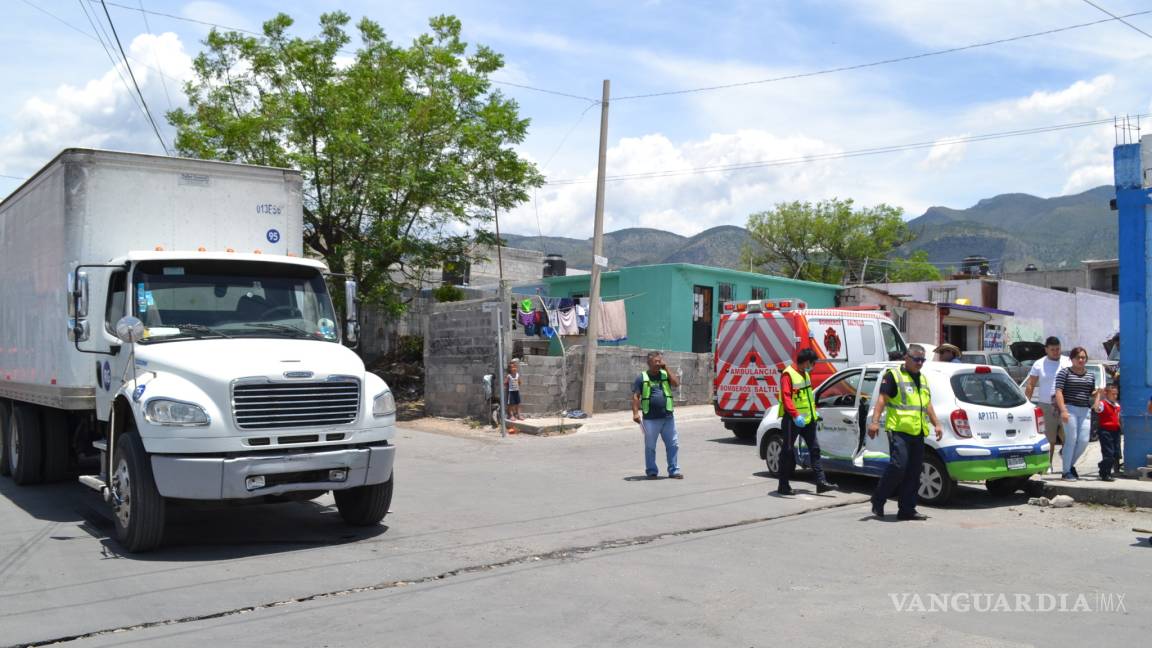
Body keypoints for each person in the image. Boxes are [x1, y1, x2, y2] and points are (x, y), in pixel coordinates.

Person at [867, 344, 943, 520]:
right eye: (916, 359)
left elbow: (927, 404)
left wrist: (937, 424)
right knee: (898, 466)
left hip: (918, 431)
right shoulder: (893, 376)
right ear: (906, 358)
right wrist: (875, 422)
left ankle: (907, 509)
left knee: (914, 472)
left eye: (922, 360)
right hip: (899, 430)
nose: (920, 363)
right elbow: (882, 399)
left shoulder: (923, 379)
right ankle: (878, 498)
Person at [777, 349, 837, 495]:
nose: (813, 366)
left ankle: (821, 482)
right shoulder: (788, 374)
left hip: (808, 420)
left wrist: (813, 412)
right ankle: (783, 485)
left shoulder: (805, 373)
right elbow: (786, 398)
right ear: (805, 362)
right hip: (793, 421)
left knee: (815, 450)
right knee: (788, 452)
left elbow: (808, 396)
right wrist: (796, 416)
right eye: (812, 363)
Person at [1024, 336, 1071, 471]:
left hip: (1064, 405)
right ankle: (1047, 465)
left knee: (1068, 437)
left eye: (1058, 349)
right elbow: (1030, 384)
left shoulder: (1067, 361)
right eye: (1053, 350)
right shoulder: (1039, 364)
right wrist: (1027, 404)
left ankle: (1067, 463)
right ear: (1046, 350)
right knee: (1048, 438)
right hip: (1045, 404)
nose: (1056, 352)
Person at [632, 351, 682, 479]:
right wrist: (636, 413)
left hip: (668, 417)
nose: (659, 364)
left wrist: (666, 367)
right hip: (650, 419)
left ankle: (674, 471)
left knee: (673, 444)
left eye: (660, 361)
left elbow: (676, 383)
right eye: (656, 361)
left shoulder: (665, 374)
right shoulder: (641, 377)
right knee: (650, 446)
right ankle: (652, 471)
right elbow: (636, 396)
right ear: (649, 363)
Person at [1054, 347, 1100, 481]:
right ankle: (1066, 471)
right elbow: (1058, 392)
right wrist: (1063, 410)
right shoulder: (1064, 373)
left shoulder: (1090, 375)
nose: (1081, 360)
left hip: (1085, 410)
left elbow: (1090, 393)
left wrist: (1098, 395)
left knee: (1084, 441)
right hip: (1070, 409)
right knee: (1071, 440)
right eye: (1078, 357)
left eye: (1083, 357)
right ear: (1072, 359)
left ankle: (1067, 461)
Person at [1095, 384, 1122, 481]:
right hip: (1105, 431)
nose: (1115, 396)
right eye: (1113, 394)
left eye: (1116, 394)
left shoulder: (1117, 405)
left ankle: (1103, 467)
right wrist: (1099, 394)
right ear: (1107, 393)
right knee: (1108, 453)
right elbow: (1096, 408)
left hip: (1116, 431)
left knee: (1116, 454)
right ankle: (1105, 474)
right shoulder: (1103, 403)